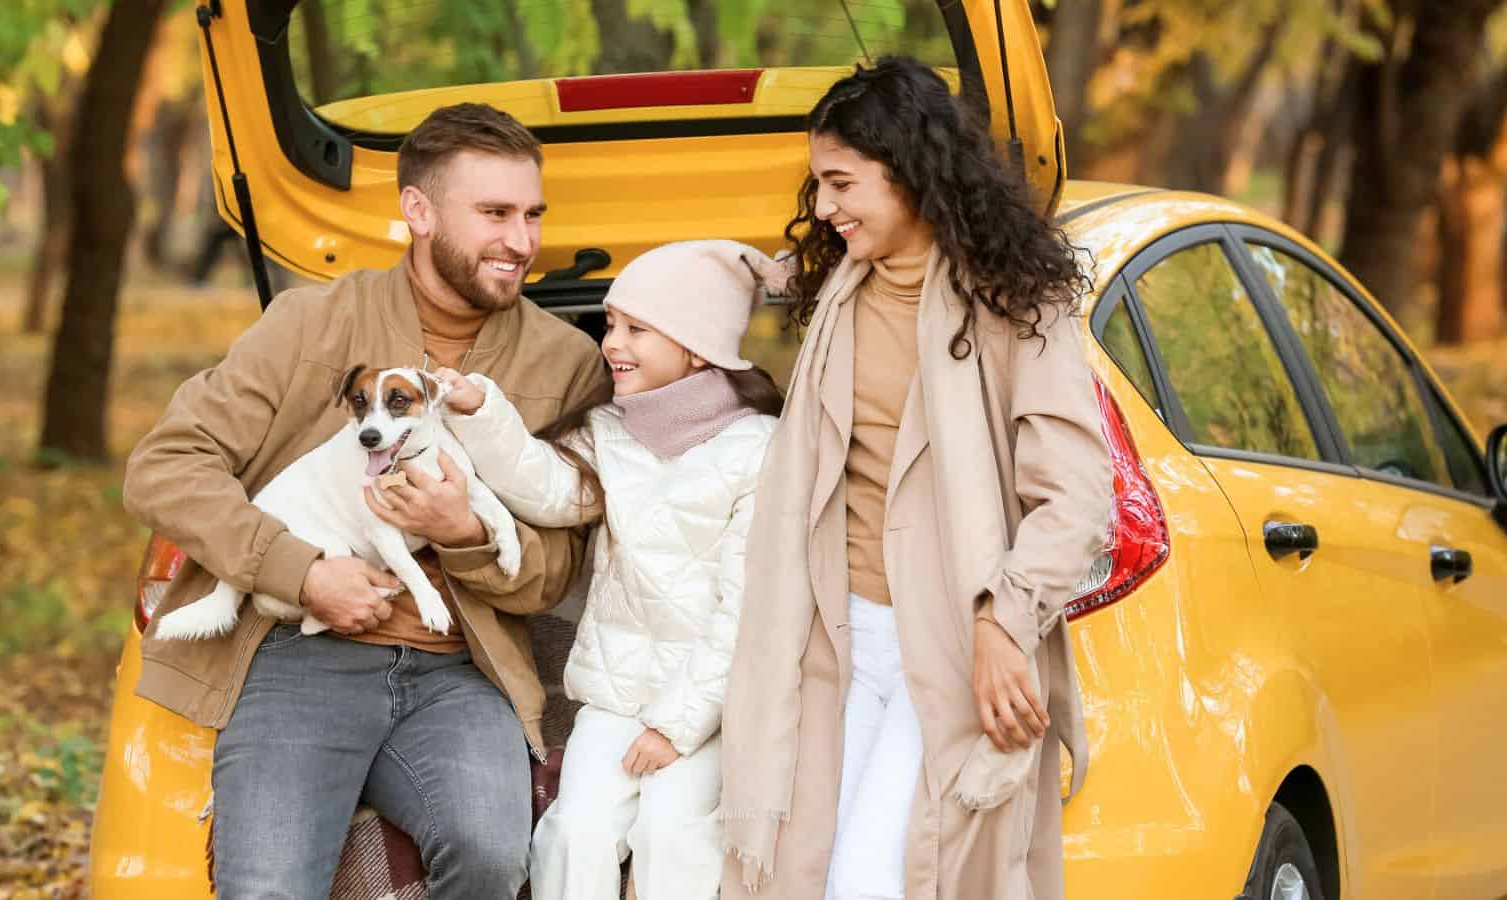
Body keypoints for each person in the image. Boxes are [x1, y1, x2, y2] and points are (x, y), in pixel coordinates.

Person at [121, 103, 609, 900]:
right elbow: (166, 467)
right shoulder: (311, 323)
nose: (521, 242)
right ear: (417, 211)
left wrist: (465, 534)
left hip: (462, 670)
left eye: (531, 215)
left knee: (492, 858)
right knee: (267, 887)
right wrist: (302, 571)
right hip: (297, 658)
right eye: (494, 214)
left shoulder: (566, 363)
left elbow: (558, 568)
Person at [720, 57, 1114, 900]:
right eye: (817, 184)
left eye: (841, 183)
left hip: (956, 649)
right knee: (797, 880)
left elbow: (1077, 498)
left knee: (878, 880)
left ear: (909, 173)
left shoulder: (1017, 304)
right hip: (834, 640)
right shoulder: (837, 292)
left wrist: (1005, 624)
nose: (822, 207)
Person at [431, 240, 783, 900]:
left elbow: (748, 610)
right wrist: (484, 415)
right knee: (572, 834)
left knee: (674, 839)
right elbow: (549, 489)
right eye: (611, 324)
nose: (610, 342)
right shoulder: (608, 430)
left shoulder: (759, 449)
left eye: (635, 329)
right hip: (613, 694)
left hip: (709, 706)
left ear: (697, 347)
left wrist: (676, 725)